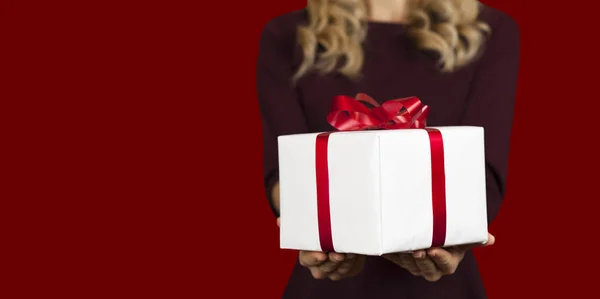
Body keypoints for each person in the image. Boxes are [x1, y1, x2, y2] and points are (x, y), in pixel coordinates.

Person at [256, 0, 520, 298]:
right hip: (327, 285)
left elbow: (484, 176)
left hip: (442, 287)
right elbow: (283, 173)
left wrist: (455, 235)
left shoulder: (488, 30)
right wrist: (303, 220)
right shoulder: (288, 35)